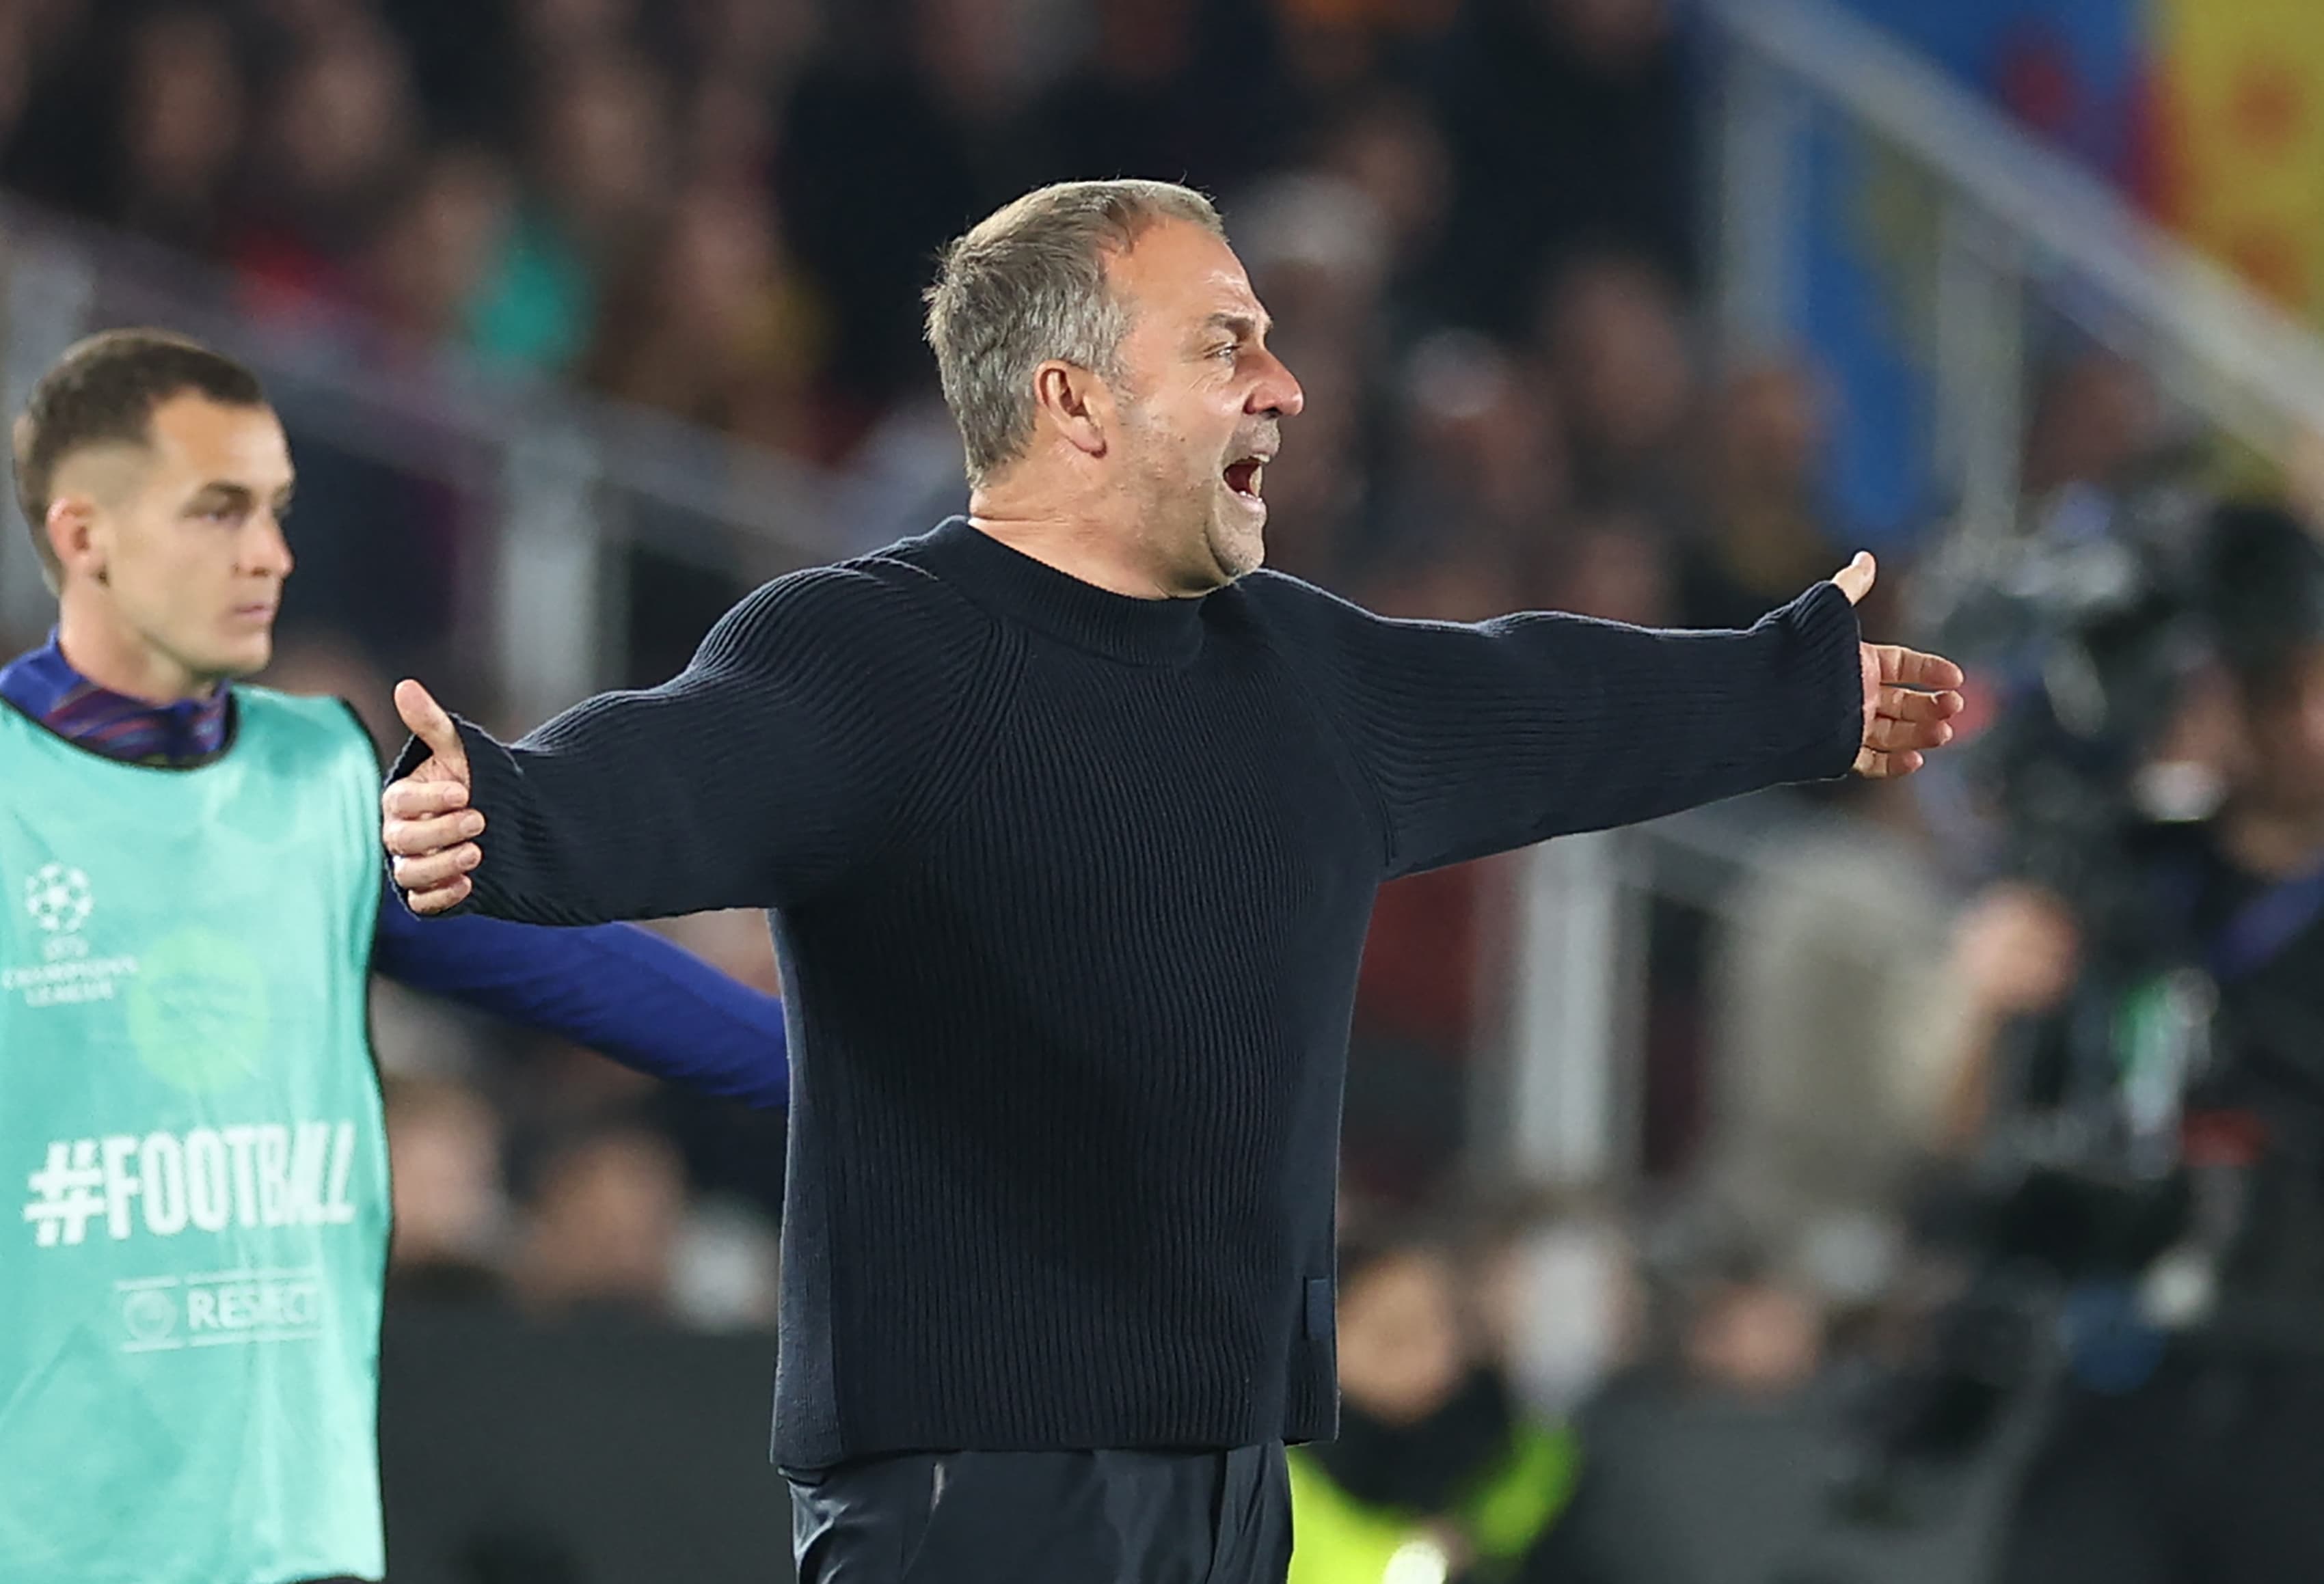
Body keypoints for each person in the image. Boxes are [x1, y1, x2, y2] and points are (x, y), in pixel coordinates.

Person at [380, 179, 1962, 1584]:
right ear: (1071, 400)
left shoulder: (1308, 680)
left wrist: (1795, 694)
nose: (1281, 386)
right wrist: (497, 810)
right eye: (1223, 344)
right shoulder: (870, 655)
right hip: (975, 1492)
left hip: (1231, 1485)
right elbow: (679, 767)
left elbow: (1540, 703)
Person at [0, 329, 792, 1584]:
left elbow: (584, 976)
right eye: (220, 511)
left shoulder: (310, 781)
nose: (271, 555)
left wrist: (875, 1076)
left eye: (275, 510)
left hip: (288, 1506)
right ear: (84, 534)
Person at [1977, 503, 2324, 1584]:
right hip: (2118, 1362)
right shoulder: (2123, 878)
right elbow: (1984, 1121)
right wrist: (1991, 997)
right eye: (2272, 684)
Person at [1284, 1227, 1597, 1584]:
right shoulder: (1276, 1487)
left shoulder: (1538, 1458)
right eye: (1393, 1337)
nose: (1429, 1358)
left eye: (1443, 1326)